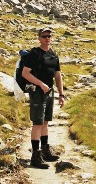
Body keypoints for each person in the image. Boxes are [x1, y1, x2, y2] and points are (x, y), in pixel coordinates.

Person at [21, 27, 65, 169]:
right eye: (44, 36)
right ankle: (35, 156)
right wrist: (41, 84)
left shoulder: (53, 55)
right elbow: (25, 73)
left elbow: (57, 75)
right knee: (37, 123)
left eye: (49, 36)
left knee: (46, 122)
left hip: (49, 92)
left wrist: (61, 94)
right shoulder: (34, 53)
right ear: (39, 38)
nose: (47, 38)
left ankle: (45, 151)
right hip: (38, 92)